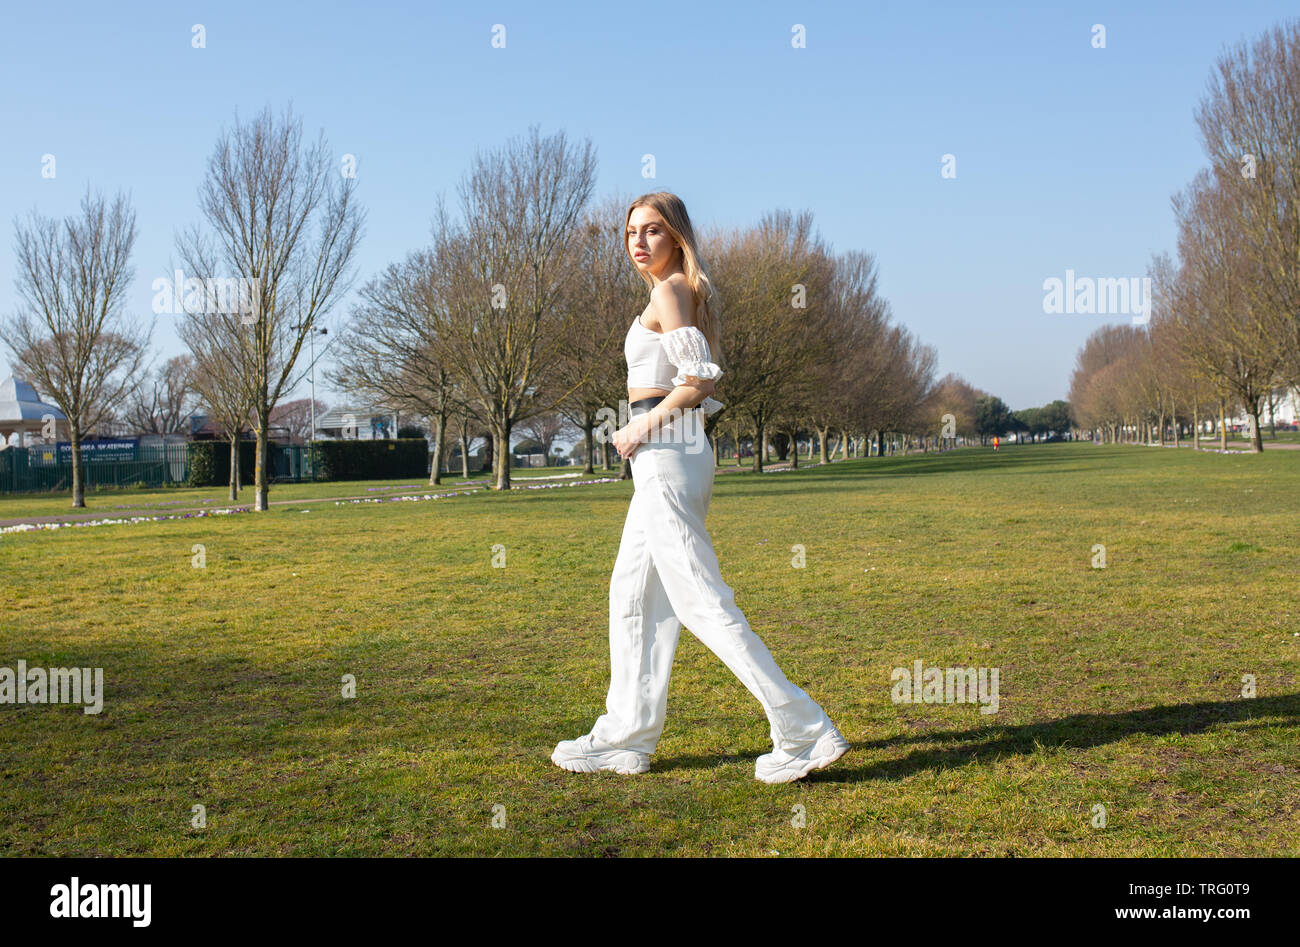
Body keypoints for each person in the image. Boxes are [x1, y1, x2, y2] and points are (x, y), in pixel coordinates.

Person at [550, 192, 849, 784]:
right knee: (631, 595)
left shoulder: (671, 289)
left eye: (653, 231)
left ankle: (803, 730)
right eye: (632, 231)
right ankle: (624, 737)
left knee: (701, 601)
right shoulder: (676, 291)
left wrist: (642, 423)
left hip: (666, 453)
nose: (639, 242)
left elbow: (701, 379)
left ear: (677, 237)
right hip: (672, 454)